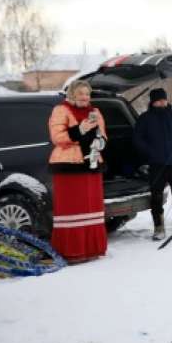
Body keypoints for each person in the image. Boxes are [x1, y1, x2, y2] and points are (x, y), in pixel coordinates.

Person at [48, 80, 108, 263]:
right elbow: (57, 137)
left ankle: (91, 248)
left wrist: (101, 142)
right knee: (71, 208)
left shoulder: (95, 112)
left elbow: (103, 134)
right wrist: (80, 129)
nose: (85, 97)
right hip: (69, 166)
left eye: (87, 94)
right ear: (72, 94)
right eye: (81, 93)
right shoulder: (61, 110)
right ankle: (72, 250)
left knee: (92, 207)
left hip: (91, 163)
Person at [132, 88, 172, 240]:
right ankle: (159, 227)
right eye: (158, 100)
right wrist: (150, 152)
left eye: (164, 99)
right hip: (156, 164)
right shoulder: (145, 118)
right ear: (153, 101)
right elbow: (137, 139)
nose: (162, 102)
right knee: (156, 196)